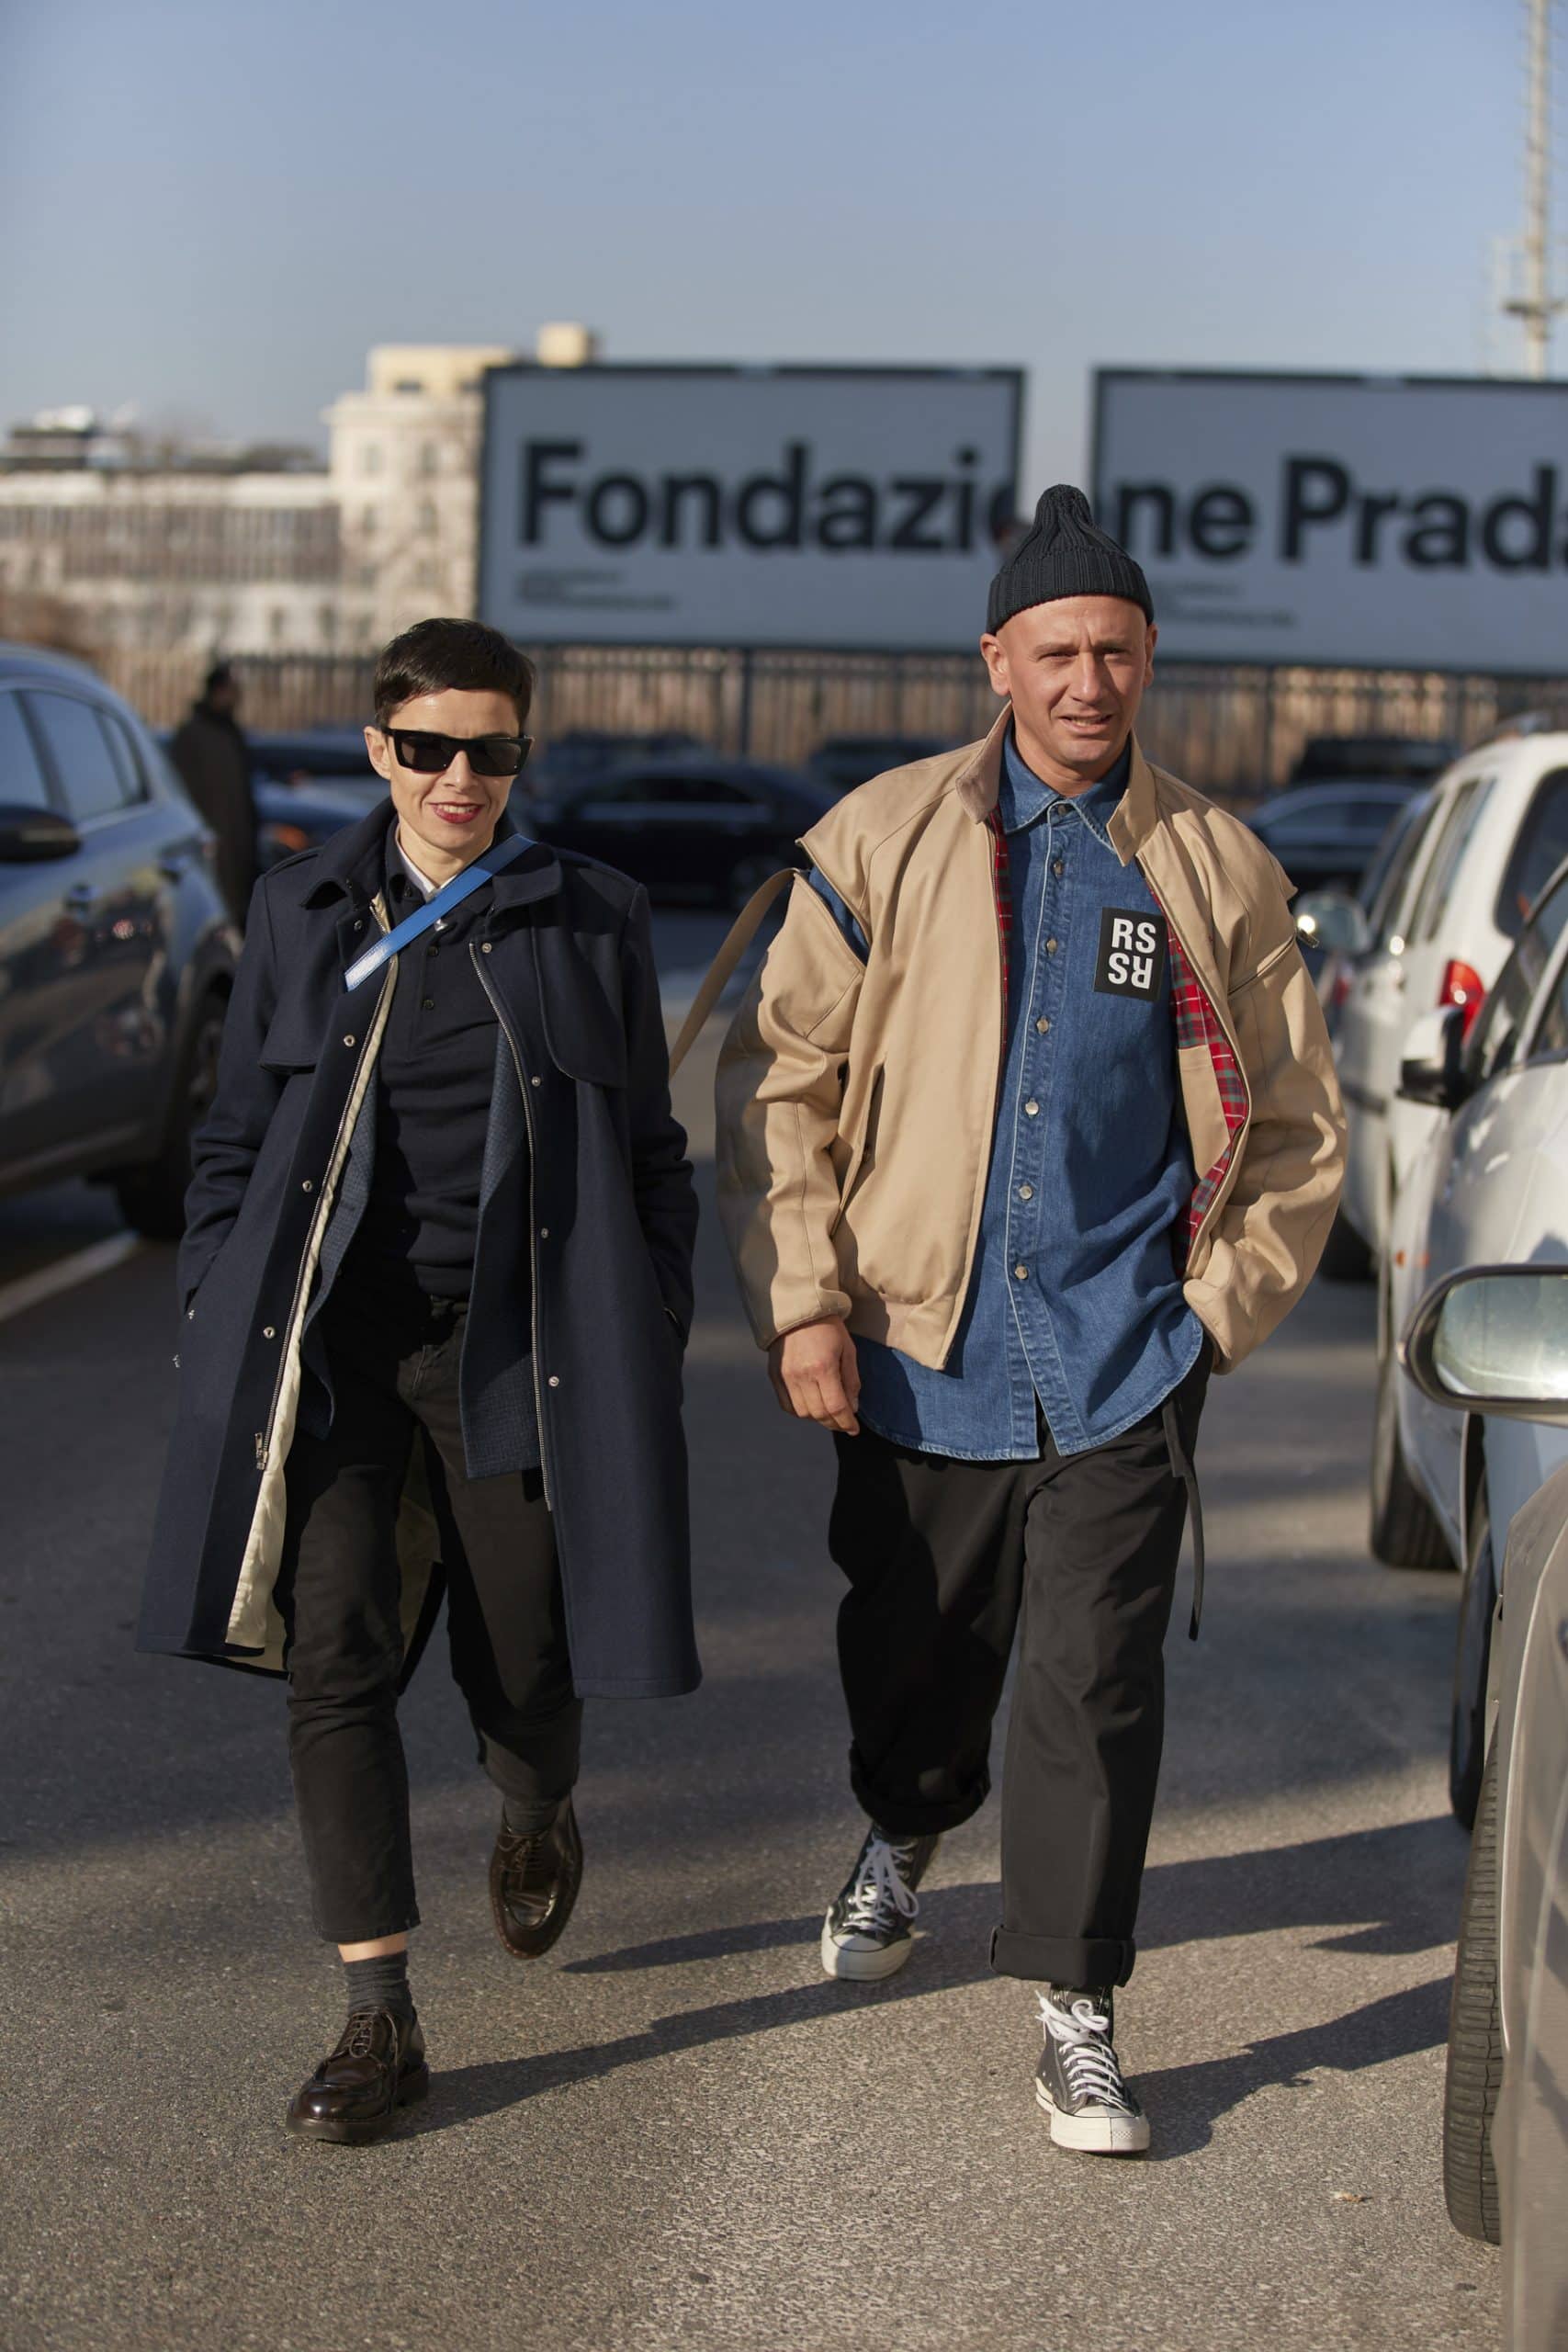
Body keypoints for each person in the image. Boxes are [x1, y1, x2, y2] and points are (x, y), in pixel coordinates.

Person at [714, 486, 1346, 2156]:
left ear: (1149, 660)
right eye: (1056, 652)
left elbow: (1296, 1126)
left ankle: (1076, 2001)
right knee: (916, 1660)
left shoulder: (1211, 866)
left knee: (1094, 1677)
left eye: (1114, 653)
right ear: (994, 659)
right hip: (915, 1346)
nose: (1087, 682)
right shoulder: (879, 840)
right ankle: (905, 1824)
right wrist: (803, 1303)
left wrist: (1208, 1316)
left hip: (1122, 1351)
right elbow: (779, 1083)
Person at [140, 616, 699, 2144]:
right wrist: (214, 1293)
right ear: (380, 748)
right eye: (431, 747)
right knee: (335, 1657)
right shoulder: (303, 908)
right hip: (334, 1353)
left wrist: (650, 1315)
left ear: (523, 753)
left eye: (492, 749)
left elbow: (652, 1156)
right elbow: (238, 1137)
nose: (462, 776)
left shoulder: (586, 914)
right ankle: (376, 2013)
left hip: (519, 1354)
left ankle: (534, 1802)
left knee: (524, 1661)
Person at [169, 660, 255, 922]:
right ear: (218, 691)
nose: (237, 697)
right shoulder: (193, 736)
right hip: (210, 848)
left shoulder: (230, 733)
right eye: (232, 690)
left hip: (236, 846)